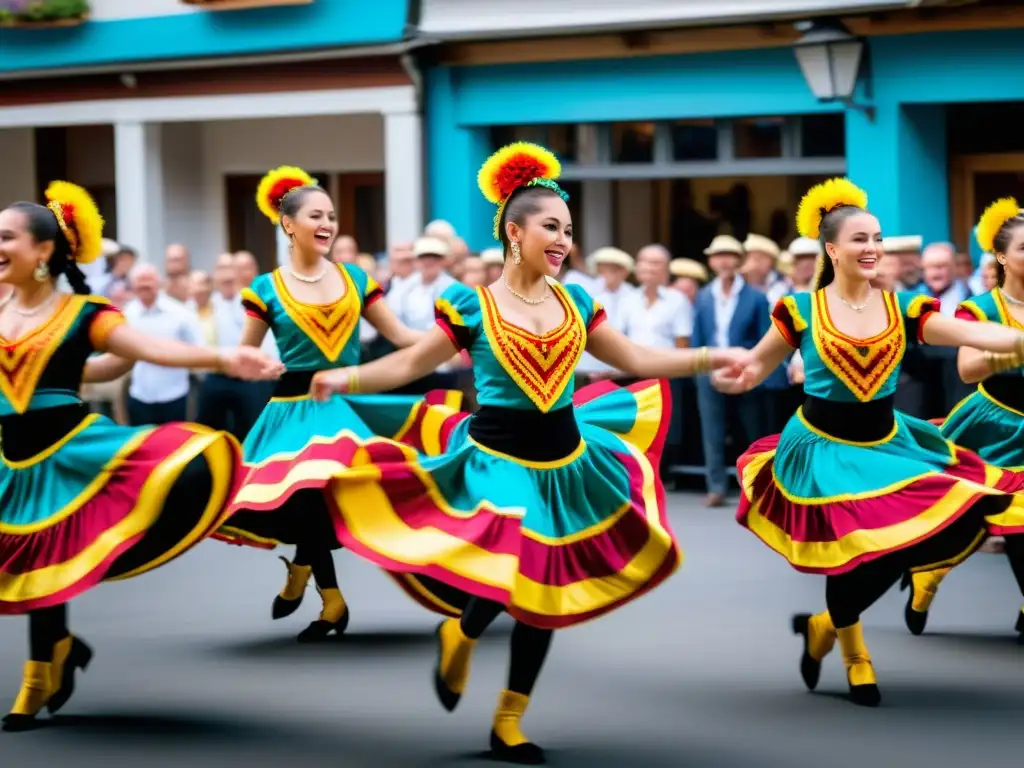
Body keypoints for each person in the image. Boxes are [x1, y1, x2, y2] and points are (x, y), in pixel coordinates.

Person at [310, 142, 749, 763]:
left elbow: (639, 361)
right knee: (520, 565)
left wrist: (712, 357)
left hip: (565, 459)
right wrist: (344, 380)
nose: (564, 240)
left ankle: (507, 719)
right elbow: (411, 362)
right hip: (499, 458)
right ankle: (461, 631)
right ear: (514, 232)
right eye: (551, 227)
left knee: (544, 593)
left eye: (569, 230)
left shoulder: (577, 301)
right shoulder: (473, 304)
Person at [712, 178, 1024, 708]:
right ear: (831, 248)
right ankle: (855, 651)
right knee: (849, 553)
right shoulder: (800, 310)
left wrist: (1017, 339)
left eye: (876, 238)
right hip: (823, 447)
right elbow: (756, 365)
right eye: (859, 238)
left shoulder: (905, 308)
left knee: (945, 522)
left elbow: (976, 336)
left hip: (887, 443)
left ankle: (823, 626)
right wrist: (735, 376)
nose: (872, 248)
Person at [0, 182, 281, 731]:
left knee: (49, 554)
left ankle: (38, 674)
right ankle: (60, 647)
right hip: (11, 457)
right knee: (30, 562)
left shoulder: (83, 312)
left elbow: (151, 348)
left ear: (44, 251)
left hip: (68, 450)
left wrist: (224, 356)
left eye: (6, 237)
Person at [211, 166, 469, 641]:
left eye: (332, 215)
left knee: (330, 494)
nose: (328, 223)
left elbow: (401, 337)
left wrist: (454, 339)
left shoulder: (356, 279)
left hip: (340, 404)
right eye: (316, 215)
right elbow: (246, 353)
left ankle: (305, 571)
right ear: (288, 224)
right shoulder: (265, 289)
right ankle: (331, 599)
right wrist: (253, 364)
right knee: (308, 495)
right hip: (291, 406)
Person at [901, 198, 1024, 640]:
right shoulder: (980, 308)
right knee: (961, 520)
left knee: (1020, 518)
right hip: (996, 424)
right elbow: (968, 369)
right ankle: (927, 578)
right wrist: (1016, 346)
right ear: (1002, 257)